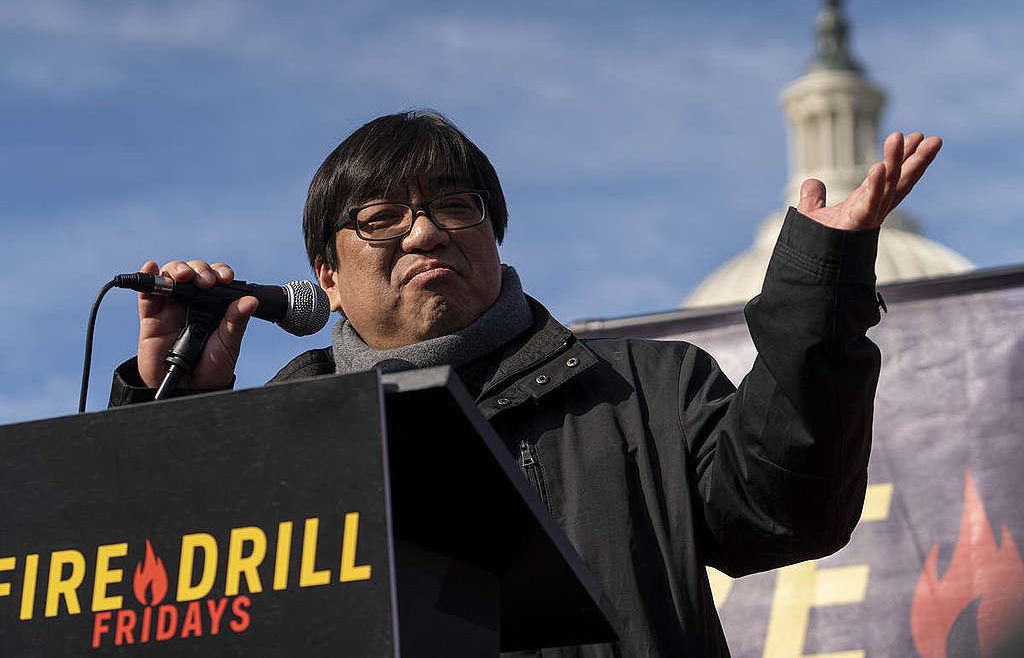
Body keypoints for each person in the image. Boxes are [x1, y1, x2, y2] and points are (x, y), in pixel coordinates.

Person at [111, 110, 942, 657]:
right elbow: (158, 616)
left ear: (497, 238)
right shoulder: (277, 441)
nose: (426, 230)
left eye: (455, 204)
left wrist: (820, 285)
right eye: (380, 219)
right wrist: (172, 408)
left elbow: (785, 509)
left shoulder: (647, 391)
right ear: (326, 275)